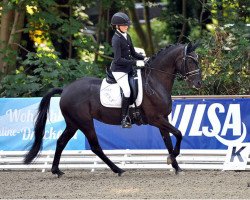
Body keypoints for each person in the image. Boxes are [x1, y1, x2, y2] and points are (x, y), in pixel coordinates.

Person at [110, 12, 145, 128]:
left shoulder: (127, 36)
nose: (126, 27)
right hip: (119, 70)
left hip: (128, 68)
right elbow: (118, 60)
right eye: (124, 25)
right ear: (117, 26)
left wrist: (145, 58)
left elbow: (133, 53)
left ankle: (137, 112)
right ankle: (124, 118)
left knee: (138, 86)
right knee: (127, 91)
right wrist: (135, 62)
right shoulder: (116, 39)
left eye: (127, 25)